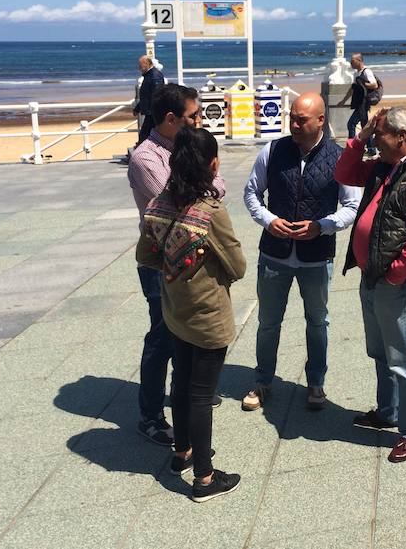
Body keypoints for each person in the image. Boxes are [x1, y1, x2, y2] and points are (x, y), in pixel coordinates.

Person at [334, 107, 406, 464]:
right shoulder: (387, 164)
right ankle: (387, 411)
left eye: (380, 135)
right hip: (373, 276)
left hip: (394, 282)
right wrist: (364, 133)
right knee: (381, 351)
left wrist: (395, 274)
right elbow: (345, 171)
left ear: (401, 137)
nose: (374, 143)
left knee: (405, 358)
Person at [138, 126, 246, 502]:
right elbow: (237, 265)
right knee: (201, 394)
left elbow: (146, 256)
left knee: (180, 383)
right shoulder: (208, 212)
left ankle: (181, 451)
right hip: (207, 313)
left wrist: (175, 267)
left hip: (174, 309)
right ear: (213, 164)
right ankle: (204, 477)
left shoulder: (158, 205)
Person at [241, 92, 361, 411]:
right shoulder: (273, 150)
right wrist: (268, 220)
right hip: (274, 254)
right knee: (268, 321)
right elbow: (252, 193)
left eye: (301, 119)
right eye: (291, 117)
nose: (293, 123)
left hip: (317, 256)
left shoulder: (339, 157)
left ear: (321, 120)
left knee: (318, 321)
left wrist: (322, 225)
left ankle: (316, 384)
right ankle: (263, 380)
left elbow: (351, 205)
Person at [128, 83, 224, 447]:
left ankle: (186, 395)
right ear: (171, 119)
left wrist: (207, 183)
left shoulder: (184, 148)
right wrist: (208, 182)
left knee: (190, 331)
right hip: (159, 262)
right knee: (163, 335)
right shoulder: (146, 158)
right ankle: (150, 414)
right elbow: (179, 202)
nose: (200, 121)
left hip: (190, 255)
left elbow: (214, 187)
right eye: (193, 115)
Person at [338, 53, 379, 141]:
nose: (351, 63)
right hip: (359, 103)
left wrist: (363, 84)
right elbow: (352, 89)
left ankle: (352, 146)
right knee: (365, 126)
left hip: (363, 103)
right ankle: (370, 148)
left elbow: (374, 85)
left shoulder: (366, 71)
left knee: (351, 124)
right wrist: (344, 100)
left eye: (352, 61)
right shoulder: (356, 74)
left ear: (359, 61)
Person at [134, 55, 166, 146]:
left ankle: (140, 152)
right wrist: (138, 108)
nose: (139, 68)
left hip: (153, 112)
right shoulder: (149, 75)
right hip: (151, 112)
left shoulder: (155, 76)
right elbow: (146, 96)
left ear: (147, 64)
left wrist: (154, 111)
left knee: (145, 134)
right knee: (147, 134)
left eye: (140, 66)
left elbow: (156, 95)